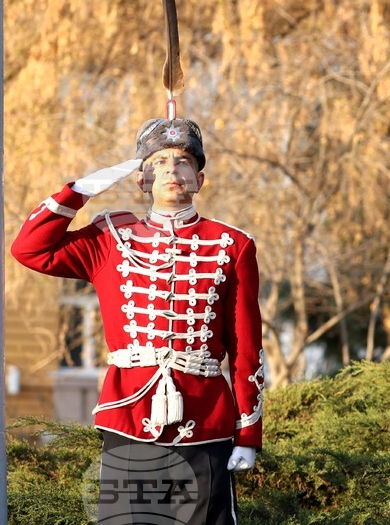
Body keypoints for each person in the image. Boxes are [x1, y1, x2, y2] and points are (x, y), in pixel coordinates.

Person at [11, 98, 263, 519]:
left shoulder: (232, 244)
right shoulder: (110, 236)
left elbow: (246, 347)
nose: (171, 171)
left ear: (199, 179)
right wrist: (78, 191)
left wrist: (248, 433)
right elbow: (29, 249)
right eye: (159, 163)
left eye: (182, 162)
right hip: (129, 415)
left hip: (206, 421)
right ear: (141, 179)